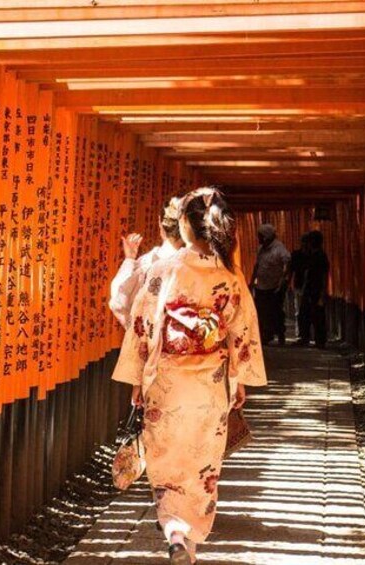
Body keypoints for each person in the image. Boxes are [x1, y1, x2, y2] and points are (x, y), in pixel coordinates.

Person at [112, 187, 267, 565]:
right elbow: (241, 332)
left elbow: (143, 326)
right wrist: (239, 378)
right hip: (210, 386)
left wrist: (136, 381)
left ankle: (174, 532)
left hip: (166, 383)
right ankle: (188, 543)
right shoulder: (229, 275)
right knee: (201, 470)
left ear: (184, 225)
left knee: (167, 469)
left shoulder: (165, 269)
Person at [109, 196, 184, 329]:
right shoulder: (203, 266)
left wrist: (129, 260)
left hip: (144, 345)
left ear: (160, 221)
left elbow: (119, 302)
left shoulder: (147, 265)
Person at [249, 223, 290, 345]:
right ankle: (265, 335)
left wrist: (283, 280)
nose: (258, 239)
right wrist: (252, 281)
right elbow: (257, 265)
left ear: (266, 236)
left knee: (275, 311)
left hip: (274, 286)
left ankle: (280, 334)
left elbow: (287, 262)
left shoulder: (279, 248)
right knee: (261, 311)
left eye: (260, 236)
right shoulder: (261, 249)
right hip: (261, 285)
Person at [300, 230, 330, 348]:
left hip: (316, 290)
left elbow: (323, 275)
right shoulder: (311, 255)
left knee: (318, 315)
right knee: (307, 314)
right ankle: (308, 338)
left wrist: (323, 293)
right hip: (310, 289)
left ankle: (320, 341)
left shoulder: (321, 256)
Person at [287, 233, 311, 343]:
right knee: (299, 311)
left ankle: (308, 334)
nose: (306, 245)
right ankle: (300, 334)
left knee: (308, 311)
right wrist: (288, 282)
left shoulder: (312, 255)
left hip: (311, 287)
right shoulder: (296, 255)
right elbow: (291, 270)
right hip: (299, 285)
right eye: (304, 242)